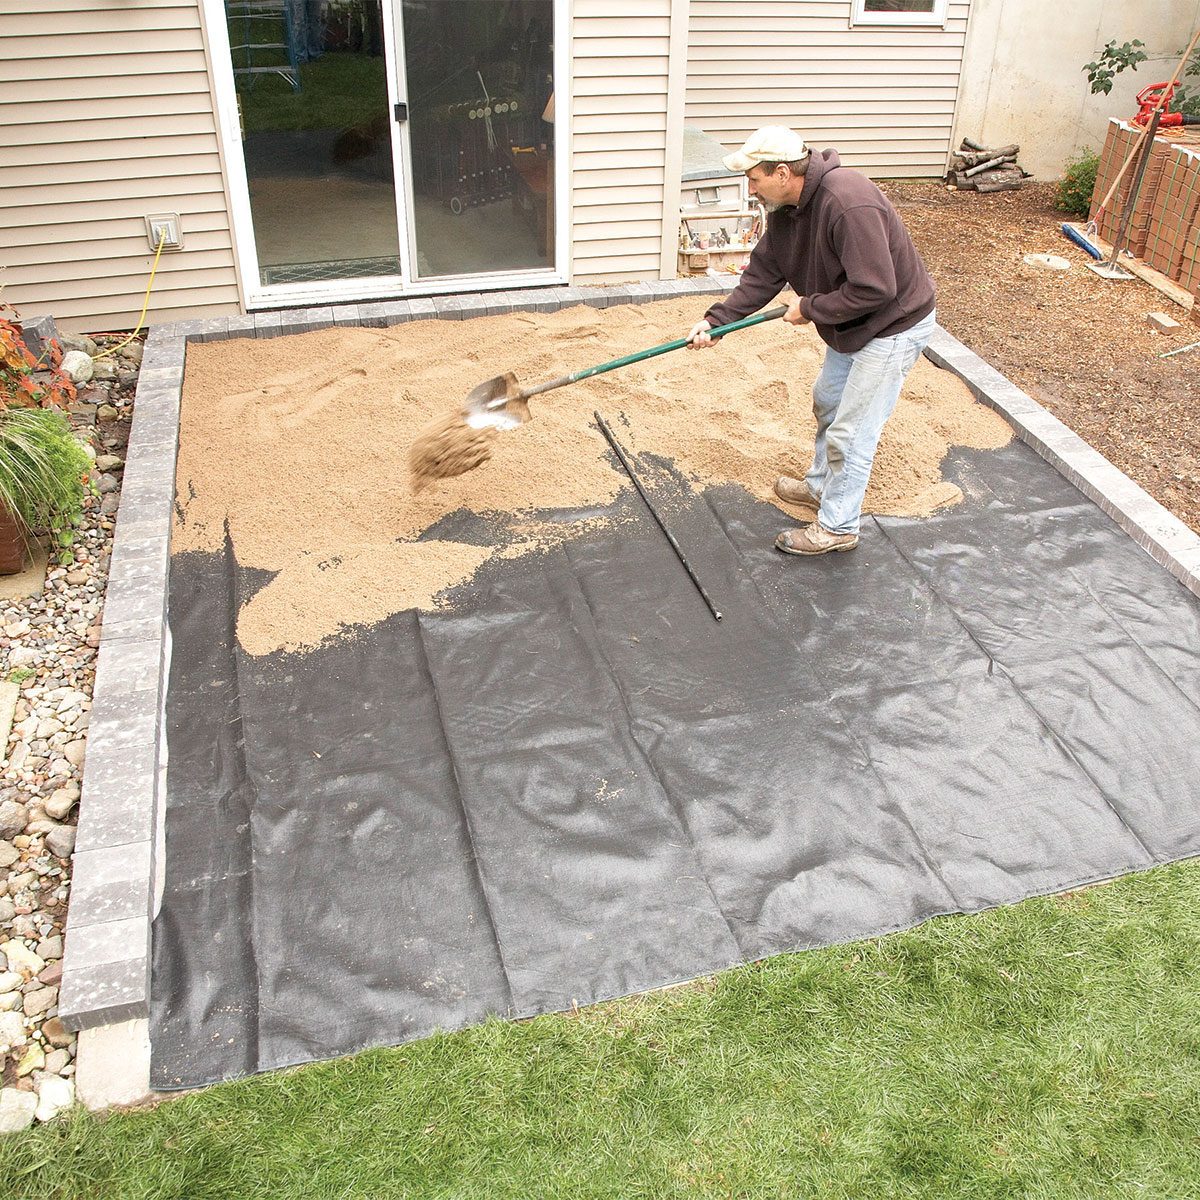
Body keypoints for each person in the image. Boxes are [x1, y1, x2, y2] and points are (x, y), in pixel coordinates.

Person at [687, 126, 937, 556]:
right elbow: (765, 271)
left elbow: (876, 288)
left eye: (753, 177)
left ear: (782, 172)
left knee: (852, 433)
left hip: (893, 324)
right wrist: (717, 320)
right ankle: (821, 486)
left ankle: (839, 526)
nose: (750, 187)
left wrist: (810, 308)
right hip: (852, 325)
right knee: (828, 401)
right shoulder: (786, 209)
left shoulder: (847, 203)